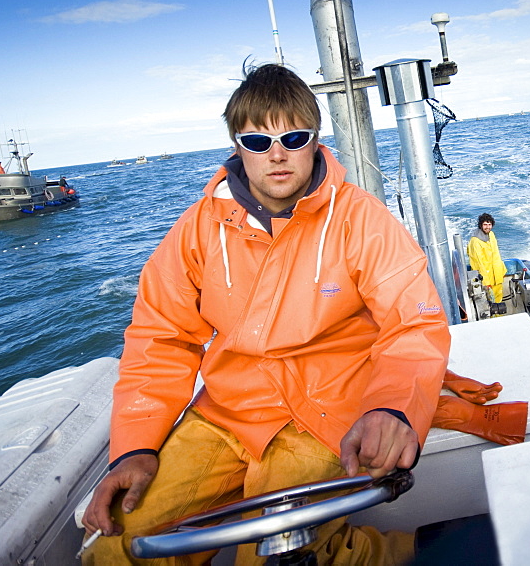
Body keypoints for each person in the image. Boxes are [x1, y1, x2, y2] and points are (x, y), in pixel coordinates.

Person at [81, 63, 451, 565]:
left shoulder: (361, 218)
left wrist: (392, 407)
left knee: (276, 552)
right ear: (237, 147)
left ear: (316, 142)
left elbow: (414, 322)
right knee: (121, 548)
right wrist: (135, 445)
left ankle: (413, 554)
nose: (276, 155)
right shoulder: (198, 229)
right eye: (257, 141)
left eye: (293, 137)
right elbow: (160, 336)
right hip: (228, 413)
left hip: (329, 410)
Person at [467, 213, 508, 303]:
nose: (487, 227)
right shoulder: (475, 242)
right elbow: (478, 264)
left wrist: (502, 270)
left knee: (498, 298)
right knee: (490, 301)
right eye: (485, 225)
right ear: (481, 225)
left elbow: (497, 254)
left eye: (489, 225)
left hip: (497, 274)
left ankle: (499, 315)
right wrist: (485, 282)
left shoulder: (491, 235)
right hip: (487, 277)